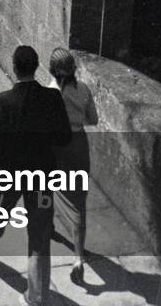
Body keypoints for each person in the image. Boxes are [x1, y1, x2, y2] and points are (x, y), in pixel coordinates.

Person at [0, 45, 72, 306]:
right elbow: (65, 137)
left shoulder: (3, 101)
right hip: (41, 177)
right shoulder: (53, 99)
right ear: (36, 67)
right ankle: (36, 295)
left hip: (10, 173)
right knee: (39, 234)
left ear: (14, 67)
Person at [48, 47, 99, 285]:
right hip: (78, 144)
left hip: (56, 145)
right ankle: (78, 257)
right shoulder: (84, 90)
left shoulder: (49, 93)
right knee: (78, 200)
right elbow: (93, 119)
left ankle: (47, 225)